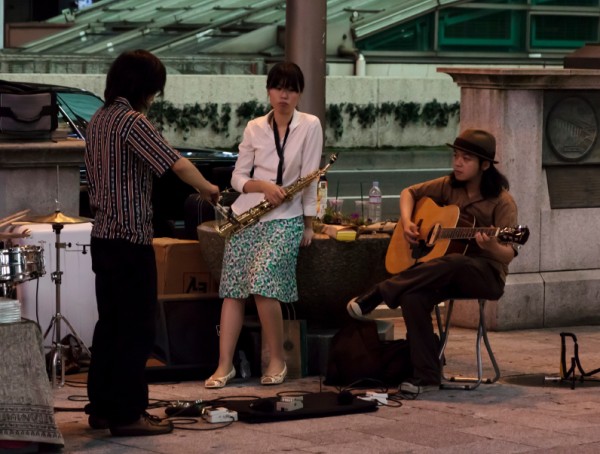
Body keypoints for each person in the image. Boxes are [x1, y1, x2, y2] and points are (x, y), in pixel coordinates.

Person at [84, 49, 220, 436]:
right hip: (130, 239)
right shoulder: (132, 121)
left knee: (110, 325)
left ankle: (104, 407)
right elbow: (174, 162)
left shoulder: (98, 119)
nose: (153, 98)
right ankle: (129, 414)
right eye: (154, 90)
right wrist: (209, 188)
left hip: (104, 238)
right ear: (144, 87)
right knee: (138, 328)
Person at [347, 129, 519, 394]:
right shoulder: (449, 186)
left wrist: (493, 245)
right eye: (455, 156)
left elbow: (509, 253)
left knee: (455, 262)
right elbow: (409, 193)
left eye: (466, 159)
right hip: (443, 273)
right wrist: (407, 223)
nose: (458, 163)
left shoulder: (503, 202)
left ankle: (381, 291)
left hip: (485, 275)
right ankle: (426, 377)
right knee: (413, 296)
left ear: (485, 165)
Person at [205, 61, 322, 388]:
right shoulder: (255, 126)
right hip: (246, 216)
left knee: (263, 282)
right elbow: (238, 177)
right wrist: (263, 187)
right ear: (269, 91)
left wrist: (309, 224)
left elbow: (312, 177)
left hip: (286, 218)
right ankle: (224, 365)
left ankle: (277, 359)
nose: (284, 95)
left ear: (299, 93)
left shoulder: (310, 125)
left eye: (291, 89)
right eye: (278, 88)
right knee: (232, 290)